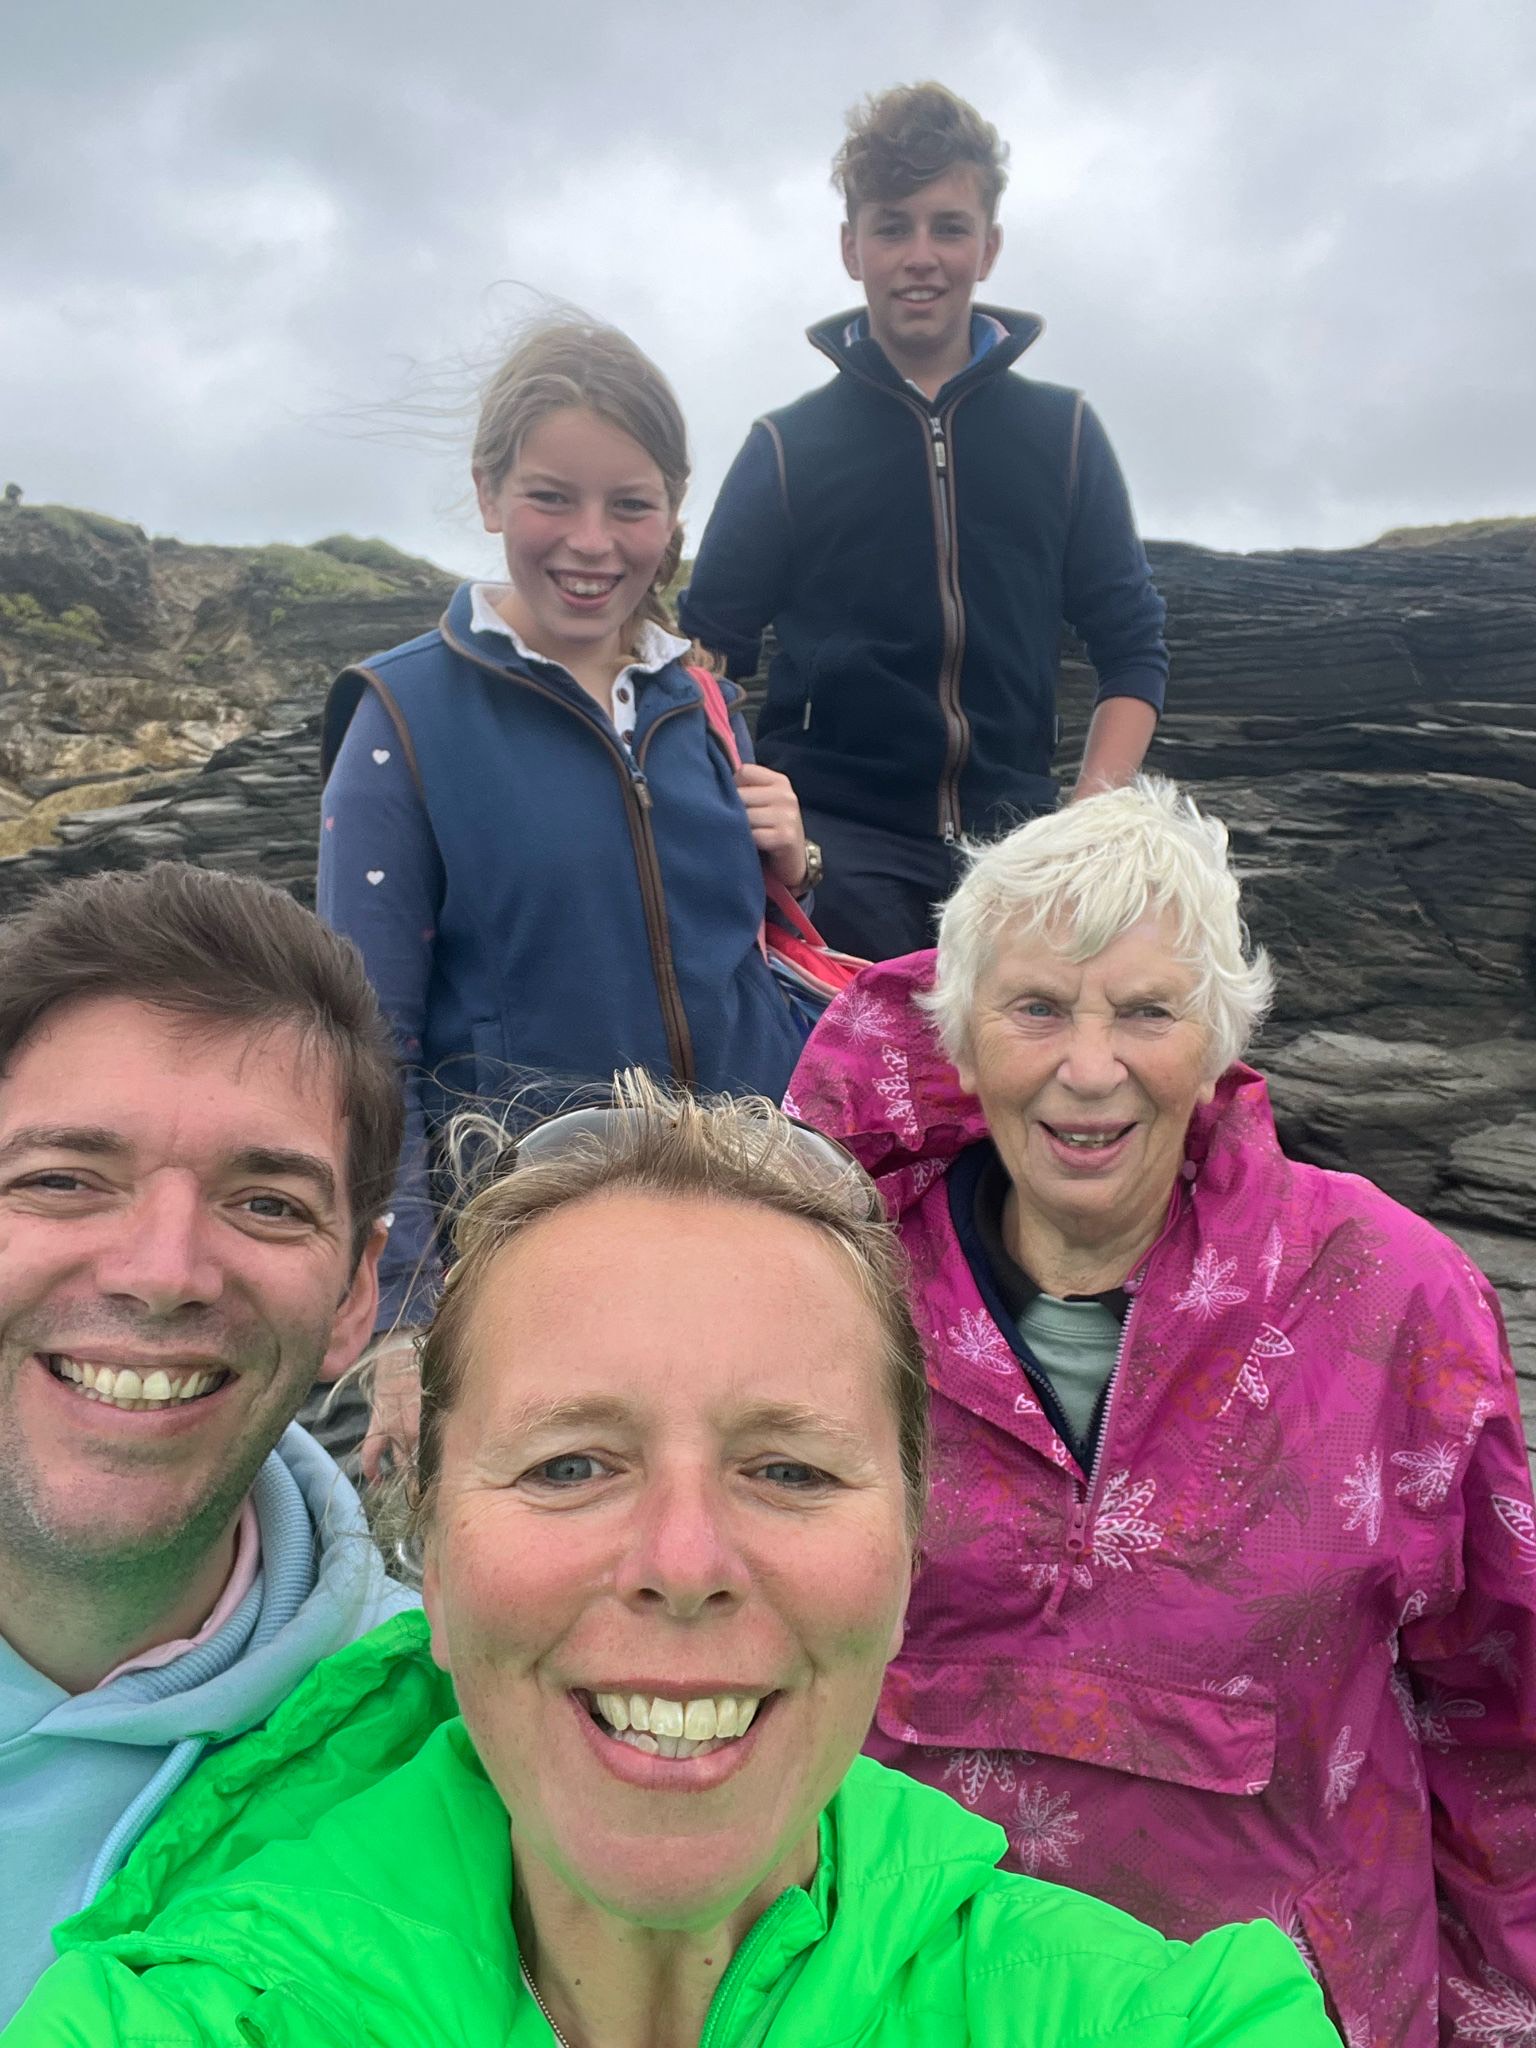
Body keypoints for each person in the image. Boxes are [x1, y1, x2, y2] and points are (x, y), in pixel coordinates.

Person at [6, 1077, 1336, 2046]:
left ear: (910, 1546)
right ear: (433, 1560)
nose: (685, 1560)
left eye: (791, 1471)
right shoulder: (169, 2021)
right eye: (571, 1466)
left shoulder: (1172, 2021)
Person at [784, 777, 1536, 2048]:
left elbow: (1499, 1707)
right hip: (914, 1996)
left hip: (1296, 2011)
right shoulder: (824, 1290)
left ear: (1220, 1036)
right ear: (960, 1037)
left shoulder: (1395, 1291)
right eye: (1036, 1008)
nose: (1091, 1067)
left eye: (1146, 1010)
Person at [318, 316, 810, 1466]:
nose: (593, 542)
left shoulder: (699, 704)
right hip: (537, 1259)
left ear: (677, 509)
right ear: (490, 493)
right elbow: (361, 1045)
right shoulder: (400, 722)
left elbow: (742, 959)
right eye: (554, 497)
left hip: (754, 1232)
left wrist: (797, 861)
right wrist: (403, 1312)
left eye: (631, 505)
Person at [0, 863, 434, 2024]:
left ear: (356, 1294)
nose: (160, 1273)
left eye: (267, 1202)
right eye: (62, 1179)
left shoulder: (474, 1748)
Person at [679, 81, 1168, 963]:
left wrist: (1090, 813)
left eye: (949, 226)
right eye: (892, 225)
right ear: (849, 247)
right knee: (837, 1104)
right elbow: (705, 658)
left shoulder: (1063, 436)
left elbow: (1132, 645)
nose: (920, 254)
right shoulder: (786, 447)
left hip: (1016, 850)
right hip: (834, 850)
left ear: (990, 247)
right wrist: (768, 819)